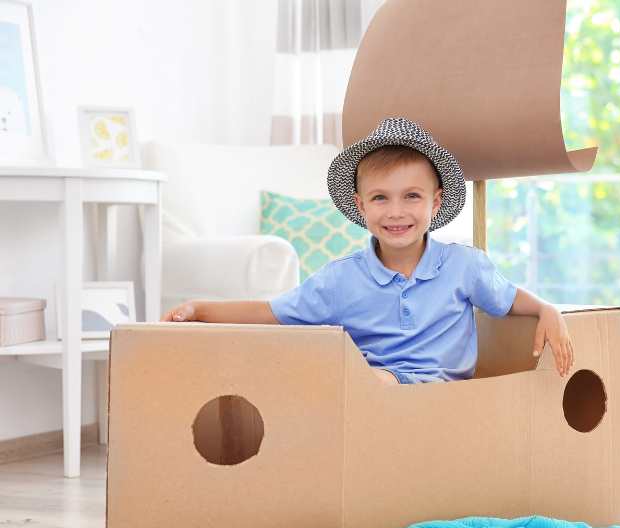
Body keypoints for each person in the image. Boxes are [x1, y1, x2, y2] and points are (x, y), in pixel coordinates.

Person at [161, 117, 575, 385]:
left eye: (411, 196)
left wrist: (548, 310)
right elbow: (272, 312)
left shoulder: (463, 265)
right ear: (361, 207)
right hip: (372, 390)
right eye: (380, 198)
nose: (396, 212)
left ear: (435, 203)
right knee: (333, 377)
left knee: (370, 385)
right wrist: (201, 309)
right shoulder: (342, 278)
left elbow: (508, 299)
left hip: (448, 399)